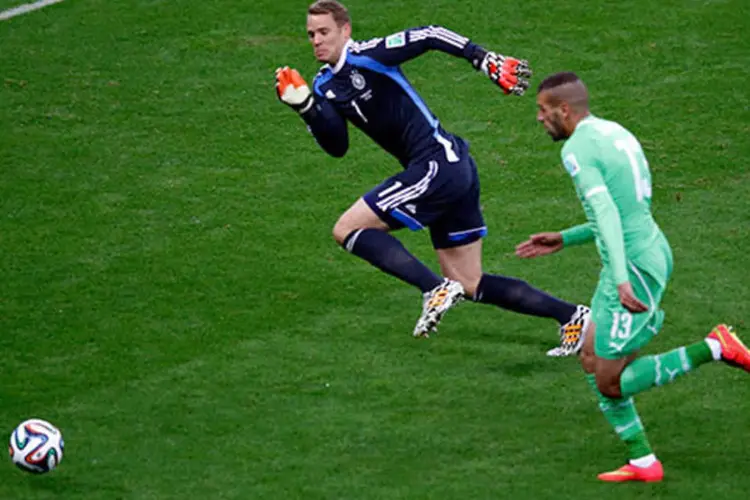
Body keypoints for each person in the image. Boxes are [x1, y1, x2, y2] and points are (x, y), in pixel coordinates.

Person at [274, 0, 590, 355]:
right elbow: (337, 145)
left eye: (324, 32)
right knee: (468, 282)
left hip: (438, 165)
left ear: (345, 31)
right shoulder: (325, 85)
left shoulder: (368, 55)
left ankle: (432, 288)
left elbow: (429, 35)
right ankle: (572, 316)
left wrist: (481, 57)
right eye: (311, 34)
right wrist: (306, 108)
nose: (316, 41)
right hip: (452, 169)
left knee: (346, 229)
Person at [518, 70, 750, 481]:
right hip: (647, 249)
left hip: (634, 267)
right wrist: (567, 238)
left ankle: (714, 347)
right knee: (590, 356)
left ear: (564, 109)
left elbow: (607, 213)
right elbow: (628, 210)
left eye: (542, 110)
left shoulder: (576, 150)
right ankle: (643, 461)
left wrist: (621, 279)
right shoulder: (614, 133)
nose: (539, 118)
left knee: (610, 382)